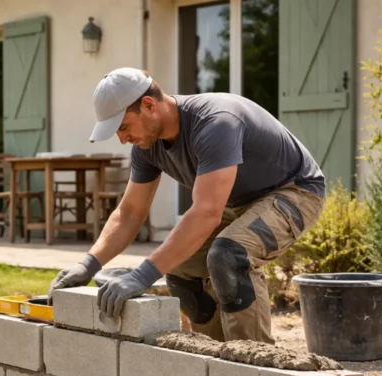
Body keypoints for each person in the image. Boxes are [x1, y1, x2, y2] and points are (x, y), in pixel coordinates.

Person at [47, 67, 326, 344]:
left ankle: (254, 366)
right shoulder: (147, 147)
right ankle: (215, 357)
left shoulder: (216, 122)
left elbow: (206, 213)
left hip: (295, 192)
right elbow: (130, 212)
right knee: (181, 271)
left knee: (230, 254)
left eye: (123, 127)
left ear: (148, 105)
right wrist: (88, 264)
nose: (122, 139)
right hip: (239, 201)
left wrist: (141, 276)